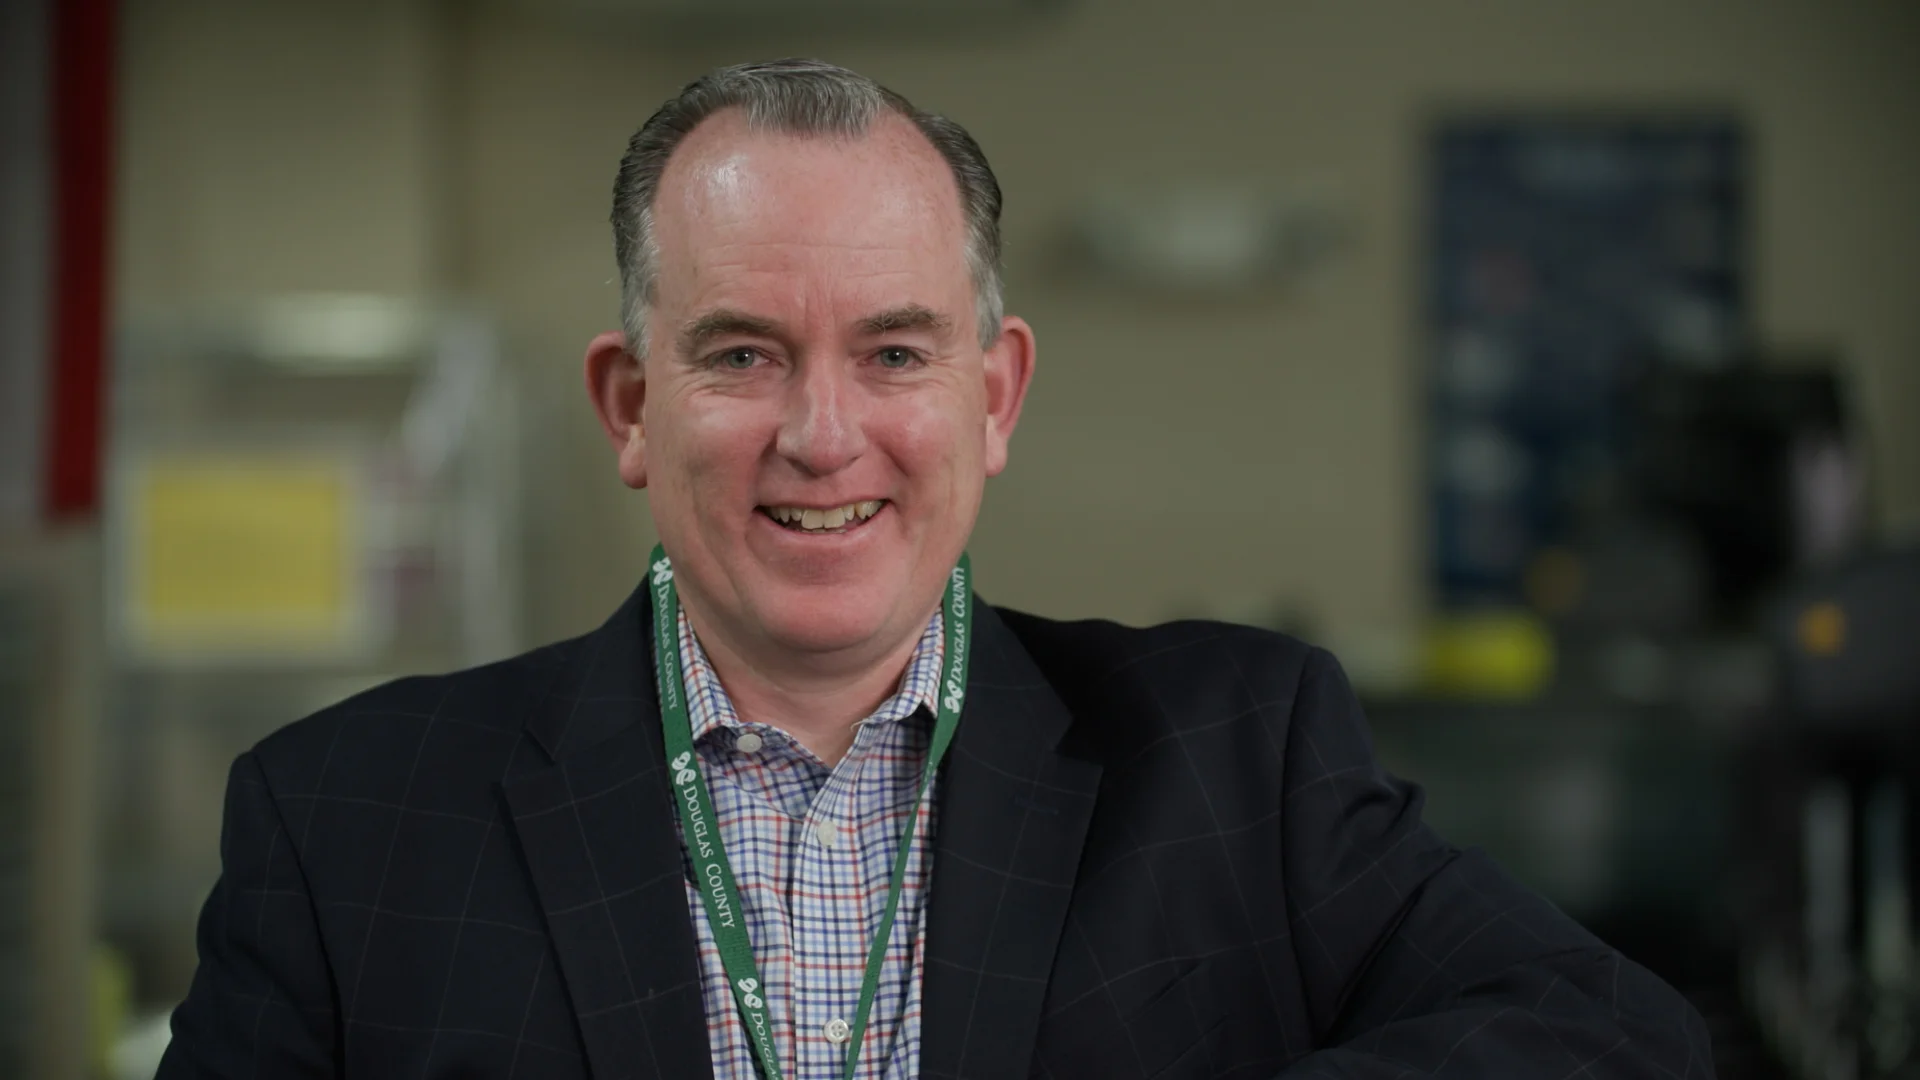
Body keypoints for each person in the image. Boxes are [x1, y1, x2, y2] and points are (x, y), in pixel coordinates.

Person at [159, 59, 1713, 1079]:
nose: (823, 435)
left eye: (895, 351)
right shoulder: (347, 820)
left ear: (995, 395)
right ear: (631, 407)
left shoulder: (1243, 759)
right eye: (743, 353)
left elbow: (1614, 1037)